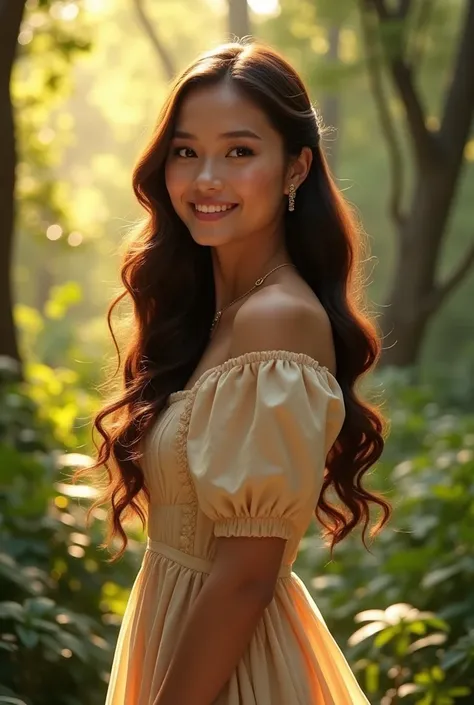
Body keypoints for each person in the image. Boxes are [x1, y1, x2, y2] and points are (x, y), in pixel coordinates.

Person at [91, 40, 391, 705]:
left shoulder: (276, 320)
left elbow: (247, 575)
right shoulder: (215, 318)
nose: (206, 179)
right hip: (186, 648)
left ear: (295, 168)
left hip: (234, 674)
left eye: (239, 151)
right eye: (186, 151)